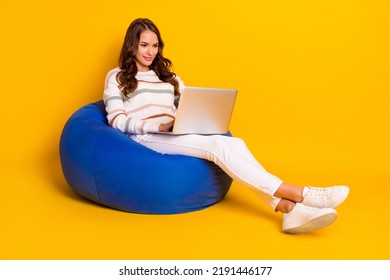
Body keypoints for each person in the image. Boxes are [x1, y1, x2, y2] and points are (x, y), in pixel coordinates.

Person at [103, 18, 350, 234]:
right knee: (216, 146)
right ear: (131, 45)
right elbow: (117, 120)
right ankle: (300, 193)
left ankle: (288, 208)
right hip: (146, 138)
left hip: (176, 131)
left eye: (155, 45)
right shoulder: (117, 77)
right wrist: (159, 125)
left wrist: (190, 120)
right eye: (144, 45)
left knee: (234, 142)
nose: (150, 52)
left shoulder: (170, 78)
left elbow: (191, 104)